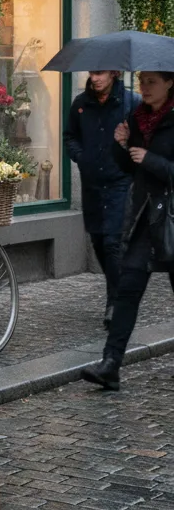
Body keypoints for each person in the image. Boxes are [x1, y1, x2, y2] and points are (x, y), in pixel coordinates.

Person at [82, 71, 174, 391]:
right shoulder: (137, 118)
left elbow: (158, 167)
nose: (144, 88)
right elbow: (127, 167)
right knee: (127, 290)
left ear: (170, 83)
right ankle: (111, 364)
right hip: (145, 219)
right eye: (142, 81)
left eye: (152, 82)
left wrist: (150, 159)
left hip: (172, 218)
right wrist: (121, 145)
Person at [64, 71, 137, 328]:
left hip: (120, 182)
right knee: (97, 240)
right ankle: (119, 290)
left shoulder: (131, 103)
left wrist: (129, 143)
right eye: (92, 73)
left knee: (112, 243)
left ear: (114, 73)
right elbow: (70, 136)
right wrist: (81, 157)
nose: (95, 78)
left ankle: (115, 302)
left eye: (100, 73)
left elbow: (146, 139)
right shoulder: (81, 104)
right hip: (92, 184)